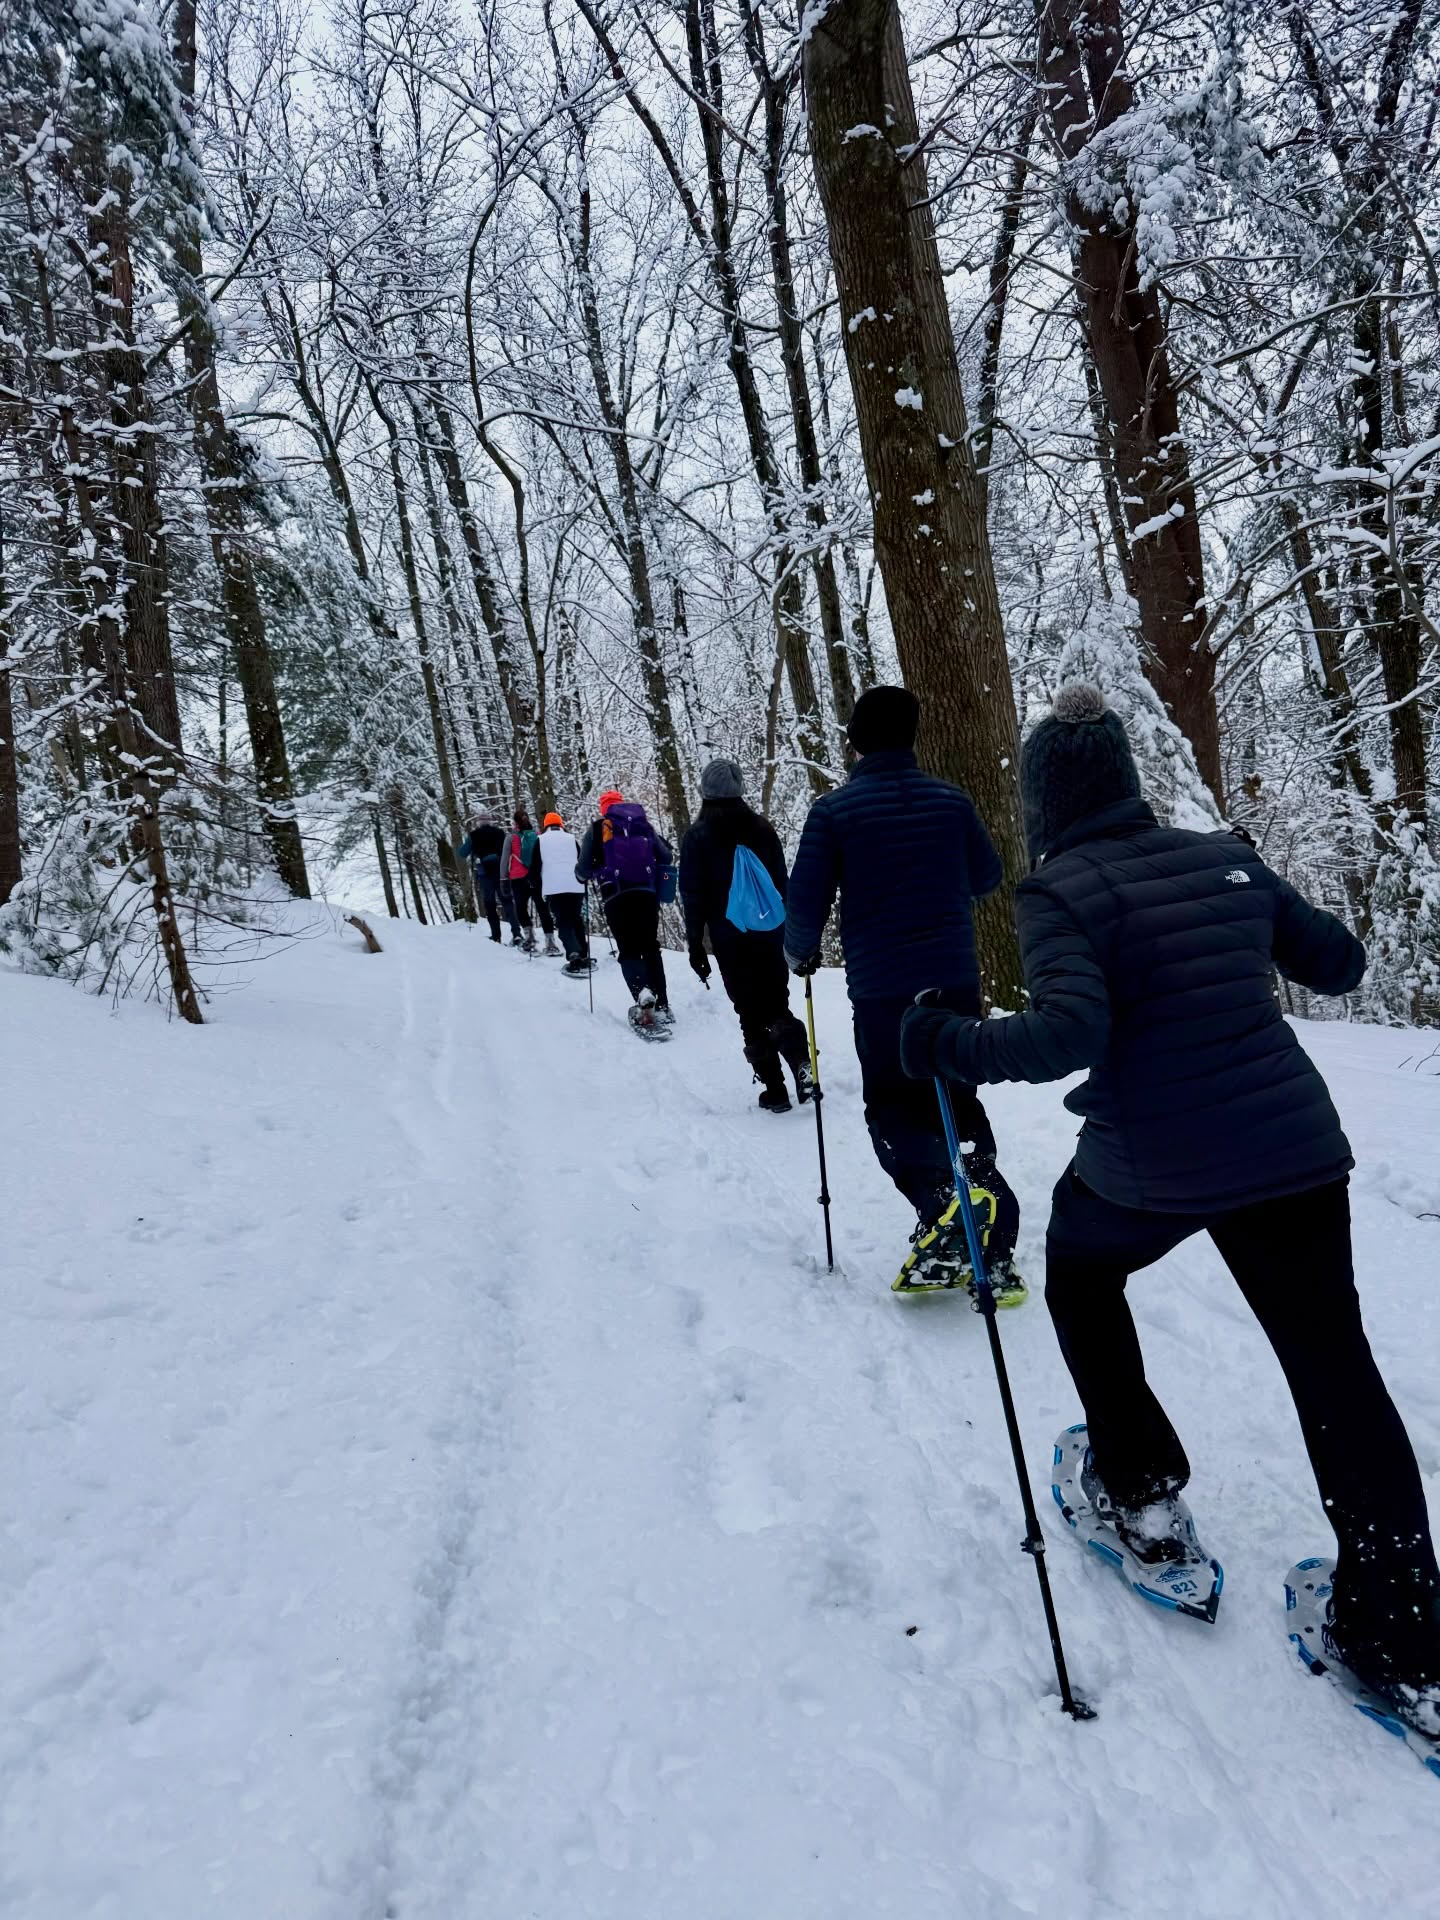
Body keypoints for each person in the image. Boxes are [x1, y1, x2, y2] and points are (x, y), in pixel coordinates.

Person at [898, 681, 1440, 1736]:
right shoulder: (1217, 857)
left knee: (1084, 1276)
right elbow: (1337, 962)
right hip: (1291, 1151)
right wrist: (1252, 875)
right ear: (1131, 783)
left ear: (1046, 800)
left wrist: (946, 1042)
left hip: (1157, 1162)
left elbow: (1068, 1037)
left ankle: (1142, 1491)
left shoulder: (1060, 891)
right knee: (1336, 1369)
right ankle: (1408, 1636)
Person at [784, 685, 1022, 1298]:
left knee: (893, 1103)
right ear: (911, 737)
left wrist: (799, 952)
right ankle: (985, 1220)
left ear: (856, 741)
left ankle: (945, 1200)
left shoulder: (835, 812)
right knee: (957, 1097)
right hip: (956, 982)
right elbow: (987, 877)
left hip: (885, 988)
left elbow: (805, 903)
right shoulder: (952, 801)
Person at [679, 759, 810, 1112]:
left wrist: (696, 945)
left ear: (706, 791)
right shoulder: (762, 829)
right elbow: (781, 882)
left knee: (749, 1012)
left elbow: (692, 895)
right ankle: (801, 1061)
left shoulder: (697, 837)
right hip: (770, 933)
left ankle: (776, 1091)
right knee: (777, 1003)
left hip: (730, 939)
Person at [576, 789, 674, 1028]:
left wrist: (582, 876)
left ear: (603, 808)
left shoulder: (598, 828)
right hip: (647, 895)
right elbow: (666, 856)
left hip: (616, 896)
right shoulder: (643, 826)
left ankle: (642, 994)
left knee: (628, 949)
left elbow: (584, 868)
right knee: (651, 947)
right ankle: (662, 1005)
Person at [537, 810, 591, 976]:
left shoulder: (540, 840)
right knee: (576, 919)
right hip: (575, 885)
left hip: (554, 888)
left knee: (563, 921)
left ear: (545, 825)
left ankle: (573, 953)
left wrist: (536, 885)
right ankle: (583, 953)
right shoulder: (570, 839)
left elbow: (534, 866)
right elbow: (582, 859)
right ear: (561, 824)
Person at [500, 807, 558, 955]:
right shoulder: (537, 835)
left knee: (521, 907)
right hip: (536, 877)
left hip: (518, 878)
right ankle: (550, 942)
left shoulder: (510, 837)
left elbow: (505, 859)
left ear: (515, 823)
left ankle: (530, 939)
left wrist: (503, 879)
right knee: (543, 908)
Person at [458, 810, 506, 942]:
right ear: (491, 822)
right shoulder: (500, 833)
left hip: (485, 872)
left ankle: (496, 936)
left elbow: (462, 853)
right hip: (501, 871)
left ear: (479, 823)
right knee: (506, 901)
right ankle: (517, 932)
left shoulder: (474, 835)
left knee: (490, 904)